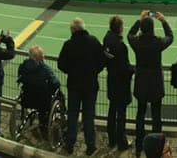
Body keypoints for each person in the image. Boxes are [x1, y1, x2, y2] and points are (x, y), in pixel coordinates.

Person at [57, 18, 105, 155]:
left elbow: (61, 64)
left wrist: (70, 71)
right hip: (91, 85)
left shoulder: (68, 44)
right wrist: (94, 71)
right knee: (89, 117)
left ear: (73, 30)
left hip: (74, 86)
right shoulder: (94, 41)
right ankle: (90, 146)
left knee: (72, 115)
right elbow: (102, 61)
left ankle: (70, 144)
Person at [128, 10, 174, 155]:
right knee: (156, 115)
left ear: (142, 27)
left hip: (141, 82)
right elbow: (170, 37)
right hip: (155, 83)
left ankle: (139, 145)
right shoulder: (158, 42)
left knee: (140, 114)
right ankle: (157, 146)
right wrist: (164, 21)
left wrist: (139, 19)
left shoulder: (137, 42)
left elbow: (130, 35)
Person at [103, 16, 134, 152]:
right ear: (120, 27)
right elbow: (124, 67)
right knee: (121, 113)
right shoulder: (121, 46)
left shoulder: (106, 40)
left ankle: (111, 140)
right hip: (121, 83)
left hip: (111, 80)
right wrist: (133, 70)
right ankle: (122, 143)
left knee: (112, 110)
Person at [17, 46, 61, 133]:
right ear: (41, 57)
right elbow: (56, 83)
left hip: (27, 98)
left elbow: (20, 78)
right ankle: (46, 123)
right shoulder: (45, 69)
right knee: (58, 94)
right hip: (43, 101)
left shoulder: (23, 67)